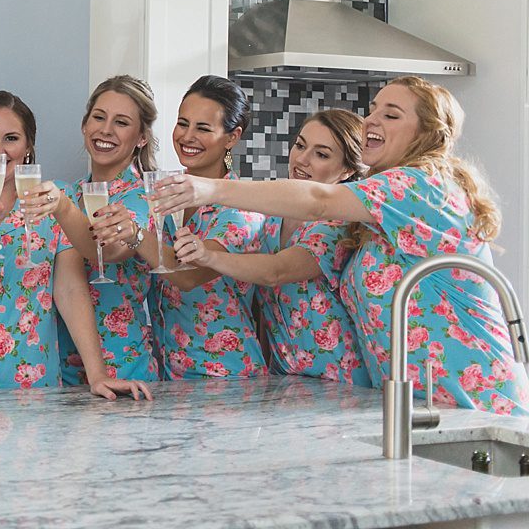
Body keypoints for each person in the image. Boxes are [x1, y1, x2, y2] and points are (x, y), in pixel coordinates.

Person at [153, 76, 529, 413]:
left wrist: (211, 188)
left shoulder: (421, 185)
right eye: (372, 110)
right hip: (414, 398)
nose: (372, 120)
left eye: (392, 114)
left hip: (475, 394)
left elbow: (318, 204)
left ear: (428, 132)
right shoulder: (375, 213)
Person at [0, 90, 152, 401]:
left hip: (32, 380)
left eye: (11, 138)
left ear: (28, 146)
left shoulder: (54, 202)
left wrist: (98, 374)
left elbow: (70, 289)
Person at [173, 110, 371, 385]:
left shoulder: (338, 227)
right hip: (285, 375)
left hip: (339, 377)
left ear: (347, 170)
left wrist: (207, 256)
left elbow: (275, 272)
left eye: (321, 154)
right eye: (300, 145)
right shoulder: (272, 219)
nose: (302, 159)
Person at [22, 76, 159, 385]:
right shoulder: (71, 192)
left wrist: (63, 209)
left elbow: (107, 251)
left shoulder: (138, 199)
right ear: (85, 125)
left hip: (121, 368)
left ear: (141, 138)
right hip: (63, 370)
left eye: (121, 122)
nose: (106, 130)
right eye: (99, 117)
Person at [146, 75, 267, 380]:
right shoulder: (165, 195)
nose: (187, 136)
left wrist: (135, 236)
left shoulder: (242, 207)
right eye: (182, 123)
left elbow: (189, 277)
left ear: (232, 137)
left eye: (203, 128)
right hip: (166, 372)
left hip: (224, 375)